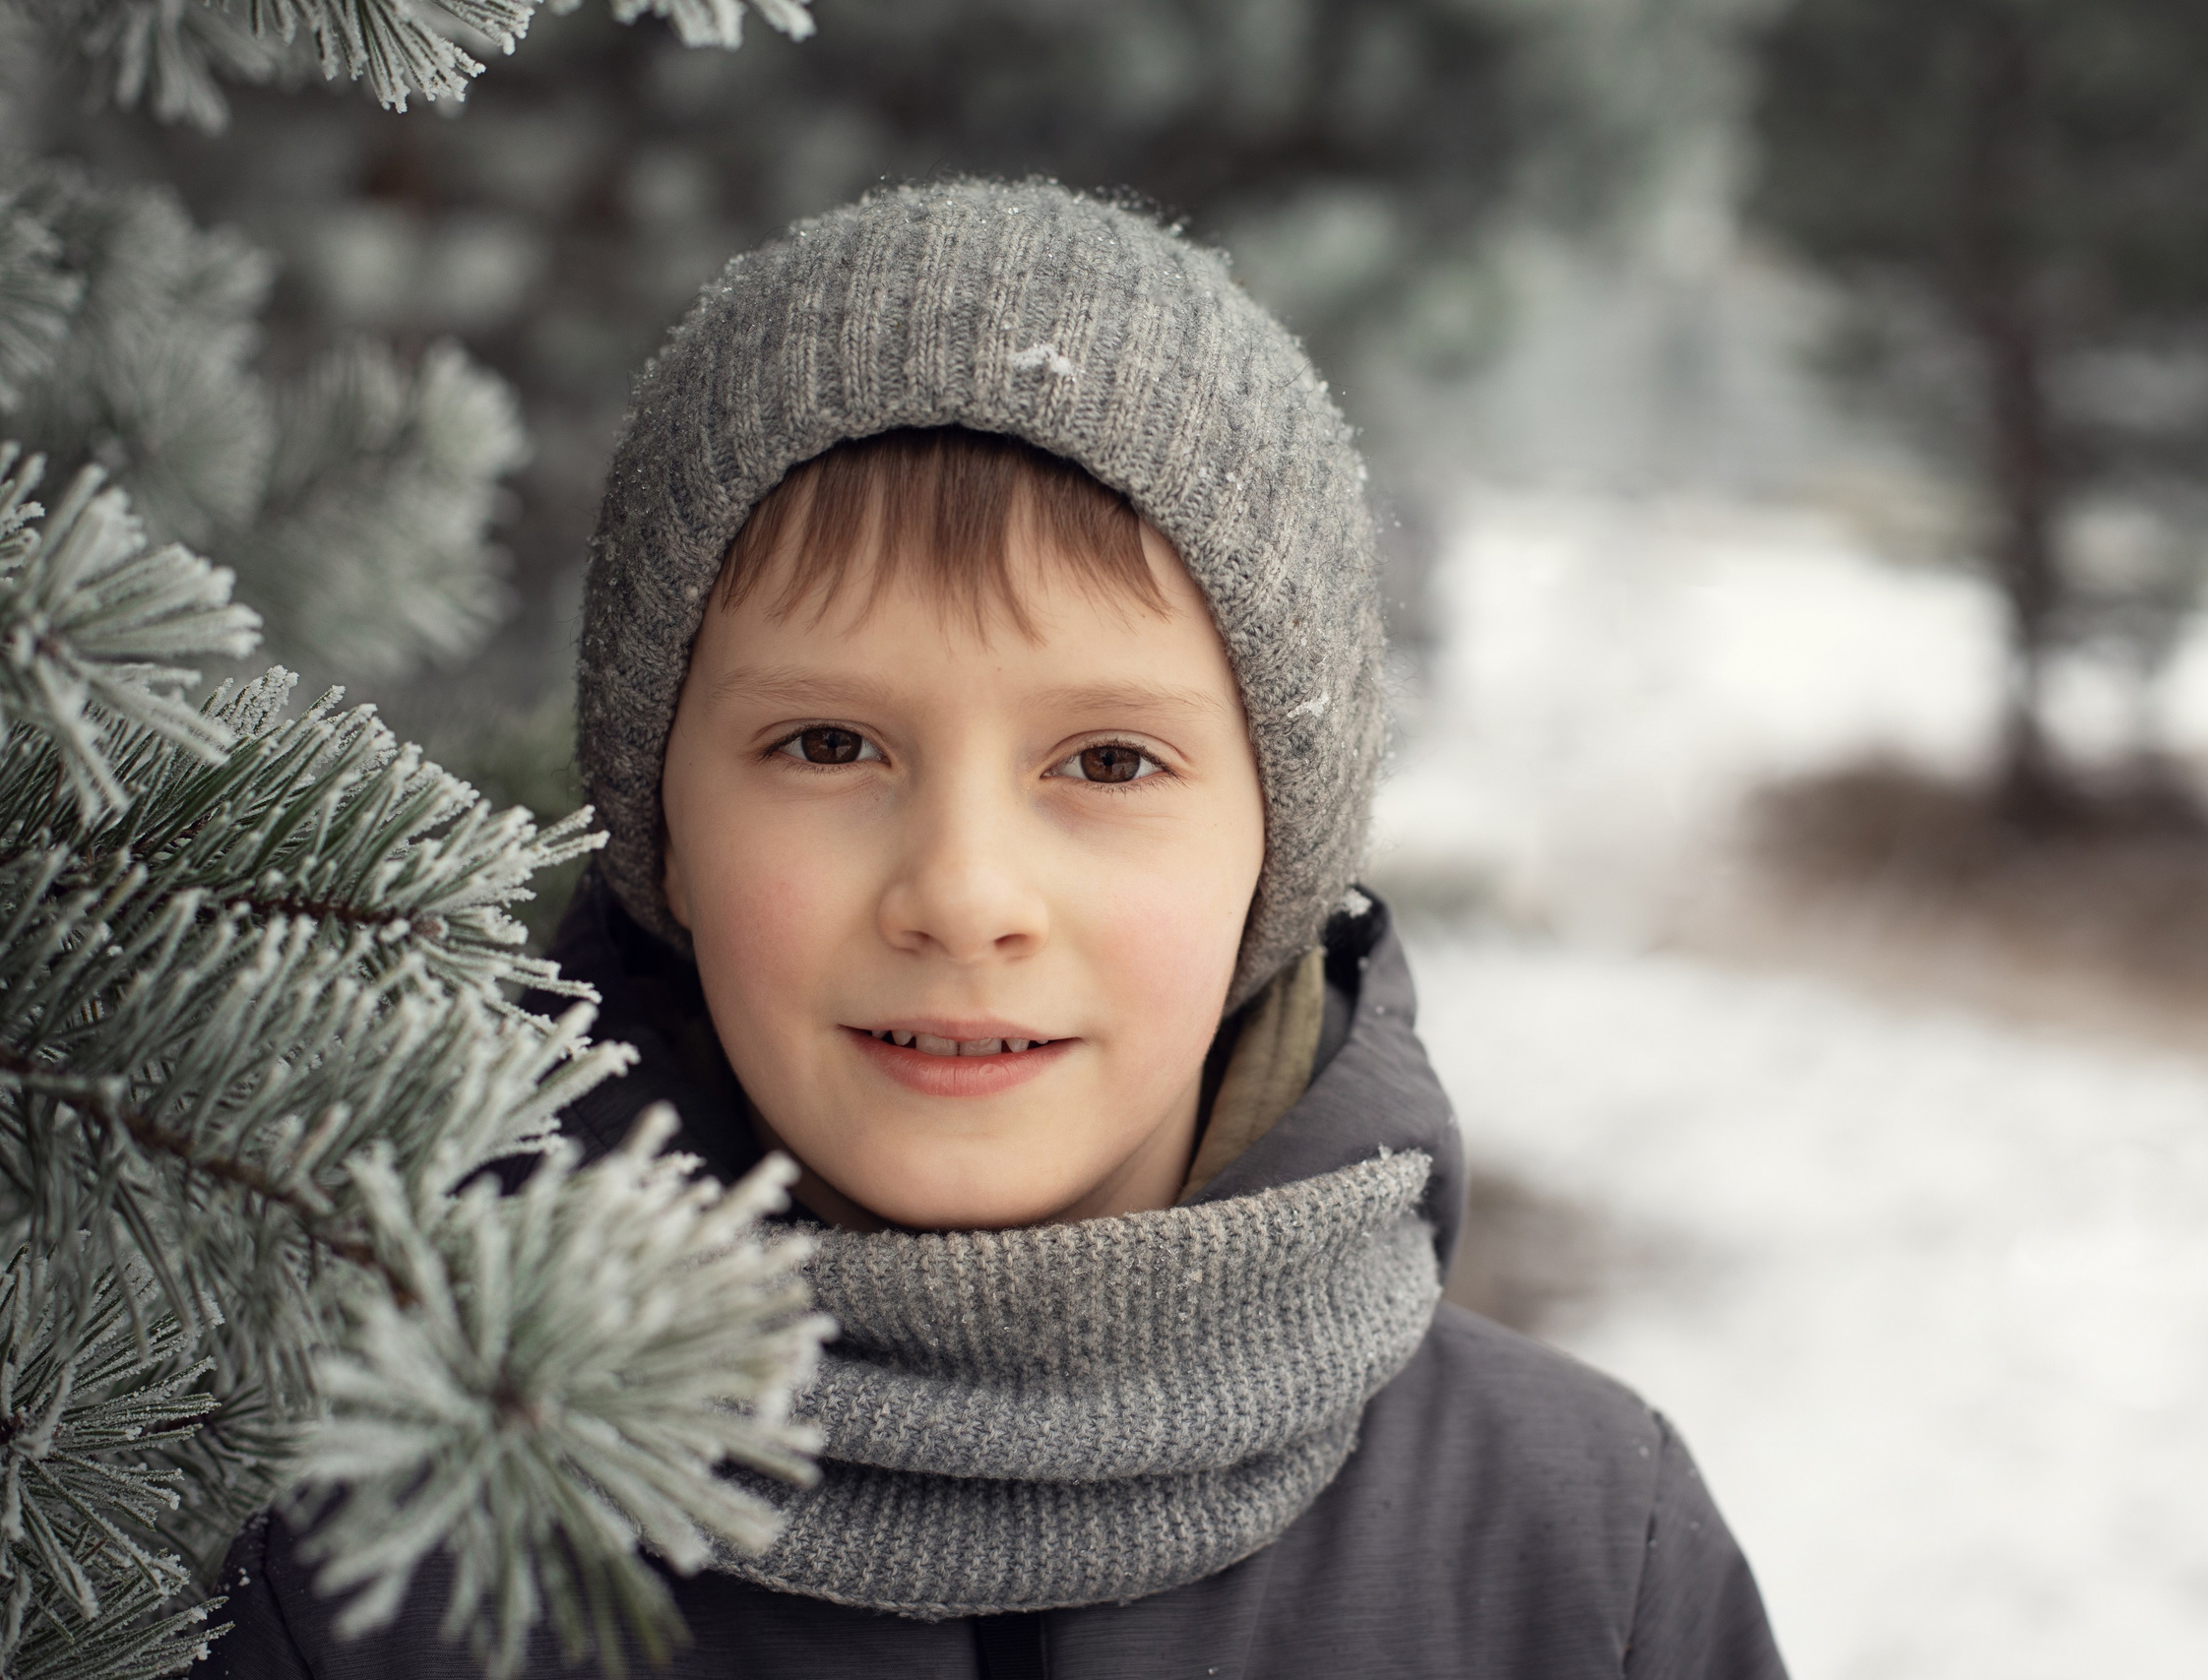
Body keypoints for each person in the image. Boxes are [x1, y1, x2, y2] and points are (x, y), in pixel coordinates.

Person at [202, 179, 1787, 1679]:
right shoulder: (352, 1543)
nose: (962, 895)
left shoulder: (1580, 1555)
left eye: (1108, 763)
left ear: (1282, 847)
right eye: (829, 745)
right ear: (661, 828)